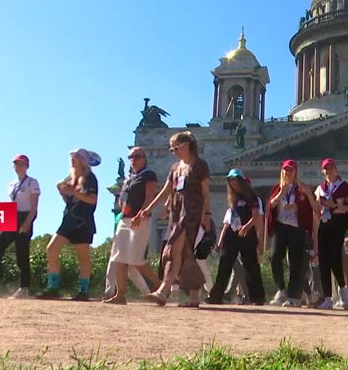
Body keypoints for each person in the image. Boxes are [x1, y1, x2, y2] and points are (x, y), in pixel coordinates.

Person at [133, 131, 211, 307]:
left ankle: (163, 290)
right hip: (176, 214)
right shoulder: (175, 168)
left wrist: (207, 215)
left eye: (176, 147)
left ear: (187, 145)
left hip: (191, 213)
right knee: (183, 254)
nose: (174, 152)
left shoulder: (200, 166)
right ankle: (193, 295)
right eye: (171, 149)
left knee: (171, 250)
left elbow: (205, 194)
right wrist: (148, 209)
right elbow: (166, 191)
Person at [38, 148, 100, 301]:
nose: (72, 160)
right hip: (68, 219)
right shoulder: (70, 178)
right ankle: (53, 287)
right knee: (51, 249)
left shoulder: (90, 177)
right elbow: (70, 201)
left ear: (83, 160)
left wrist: (73, 191)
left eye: (76, 157)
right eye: (71, 157)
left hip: (83, 221)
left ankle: (83, 290)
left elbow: (92, 200)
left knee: (83, 257)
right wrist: (63, 193)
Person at [103, 147, 161, 305]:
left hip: (140, 219)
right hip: (124, 219)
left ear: (144, 158)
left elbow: (150, 197)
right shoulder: (129, 178)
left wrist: (140, 214)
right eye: (131, 157)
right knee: (119, 258)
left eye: (137, 156)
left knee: (136, 258)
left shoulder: (149, 175)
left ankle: (159, 286)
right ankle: (120, 295)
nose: (133, 159)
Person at [0, 155, 41, 298]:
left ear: (27, 166)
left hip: (24, 217)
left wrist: (27, 223)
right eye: (16, 164)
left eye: (22, 164)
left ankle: (24, 288)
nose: (19, 166)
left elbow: (34, 207)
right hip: (11, 217)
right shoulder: (11, 184)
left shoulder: (32, 182)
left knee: (22, 255)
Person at [206, 169, 265, 305]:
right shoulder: (233, 199)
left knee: (251, 266)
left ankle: (257, 297)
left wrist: (247, 227)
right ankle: (216, 295)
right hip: (232, 234)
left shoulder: (252, 196)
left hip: (247, 233)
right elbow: (227, 222)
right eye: (230, 181)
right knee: (225, 263)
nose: (233, 183)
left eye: (235, 180)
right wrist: (220, 243)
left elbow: (256, 216)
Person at [266, 159, 318, 307]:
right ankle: (281, 289)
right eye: (285, 170)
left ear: (295, 172)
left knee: (296, 263)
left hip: (297, 229)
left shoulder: (301, 189)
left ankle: (293, 296)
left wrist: (303, 199)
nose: (288, 173)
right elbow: (271, 205)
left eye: (291, 170)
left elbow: (314, 208)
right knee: (275, 257)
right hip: (281, 227)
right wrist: (281, 193)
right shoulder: (278, 188)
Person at [313, 158, 348, 310]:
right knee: (323, 261)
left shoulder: (343, 187)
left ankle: (344, 294)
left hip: (337, 223)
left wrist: (334, 205)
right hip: (324, 223)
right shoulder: (320, 188)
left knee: (335, 259)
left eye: (330, 168)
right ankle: (328, 297)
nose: (328, 171)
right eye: (325, 169)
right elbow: (317, 208)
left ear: (336, 170)